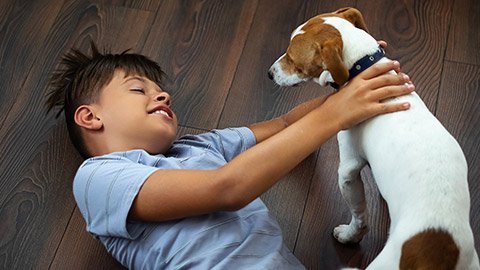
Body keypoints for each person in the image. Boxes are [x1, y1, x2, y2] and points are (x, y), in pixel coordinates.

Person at [46, 42, 414, 269]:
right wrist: (339, 112)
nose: (162, 96)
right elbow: (225, 188)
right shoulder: (98, 177)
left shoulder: (200, 147)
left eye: (160, 91)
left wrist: (351, 84)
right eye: (138, 89)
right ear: (90, 117)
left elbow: (286, 126)